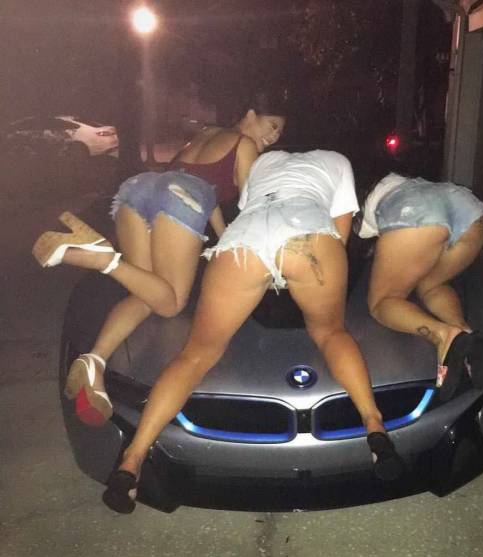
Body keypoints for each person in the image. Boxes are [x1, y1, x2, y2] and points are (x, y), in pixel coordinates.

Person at [101, 149, 406, 513]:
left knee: (196, 355)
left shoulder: (265, 161)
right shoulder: (337, 160)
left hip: (245, 239)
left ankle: (132, 460)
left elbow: (248, 211)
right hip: (306, 234)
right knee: (330, 334)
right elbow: (339, 237)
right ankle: (375, 428)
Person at [32, 93, 286, 426]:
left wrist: (223, 236)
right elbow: (250, 205)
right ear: (250, 114)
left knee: (147, 293)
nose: (274, 135)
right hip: (180, 199)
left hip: (139, 190)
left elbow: (201, 187)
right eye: (272, 125)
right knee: (171, 304)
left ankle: (94, 361)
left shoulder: (204, 135)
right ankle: (103, 259)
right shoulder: (244, 144)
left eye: (279, 131)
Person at [359, 172, 483, 403]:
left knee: (383, 302)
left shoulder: (355, 202)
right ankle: (465, 337)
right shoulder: (396, 180)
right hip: (471, 210)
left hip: (417, 212)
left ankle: (443, 335)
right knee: (432, 284)